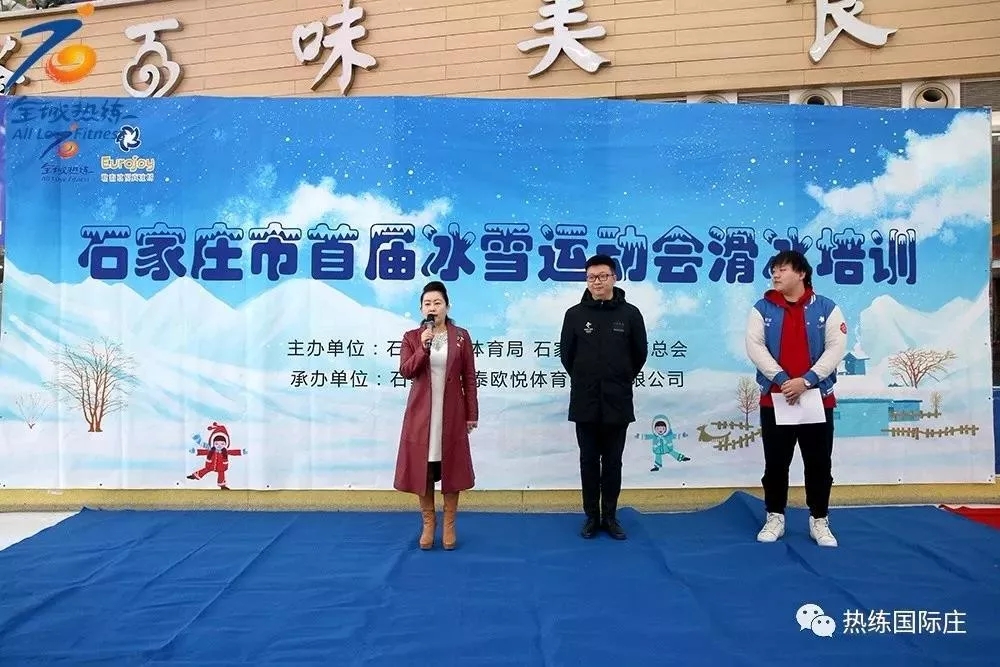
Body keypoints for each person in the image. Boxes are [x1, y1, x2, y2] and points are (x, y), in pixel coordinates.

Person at [745, 250, 847, 548]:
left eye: (782, 269)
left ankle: (819, 520)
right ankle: (774, 516)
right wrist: (781, 379)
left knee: (819, 463)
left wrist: (807, 380)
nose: (775, 274)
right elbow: (755, 347)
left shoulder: (827, 308)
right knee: (776, 464)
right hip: (776, 400)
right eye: (773, 270)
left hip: (817, 399)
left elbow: (835, 348)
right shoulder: (762, 309)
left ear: (801, 273)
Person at [559, 254, 648, 540]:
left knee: (612, 462)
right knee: (588, 461)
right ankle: (591, 516)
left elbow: (640, 354)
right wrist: (586, 379)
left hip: (617, 401)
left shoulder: (630, 314)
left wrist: (619, 377)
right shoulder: (574, 315)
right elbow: (567, 356)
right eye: (591, 277)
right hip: (585, 401)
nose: (597, 282)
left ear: (614, 278)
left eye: (602, 276)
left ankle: (609, 516)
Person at [394, 281, 479, 551]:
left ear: (447, 306)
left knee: (451, 466)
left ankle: (449, 524)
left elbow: (469, 377)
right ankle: (429, 523)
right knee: (425, 468)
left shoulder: (461, 336)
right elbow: (406, 371)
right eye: (428, 303)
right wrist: (423, 347)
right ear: (421, 309)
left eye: (437, 303)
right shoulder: (411, 337)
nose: (433, 307)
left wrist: (471, 413)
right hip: (421, 415)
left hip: (452, 413)